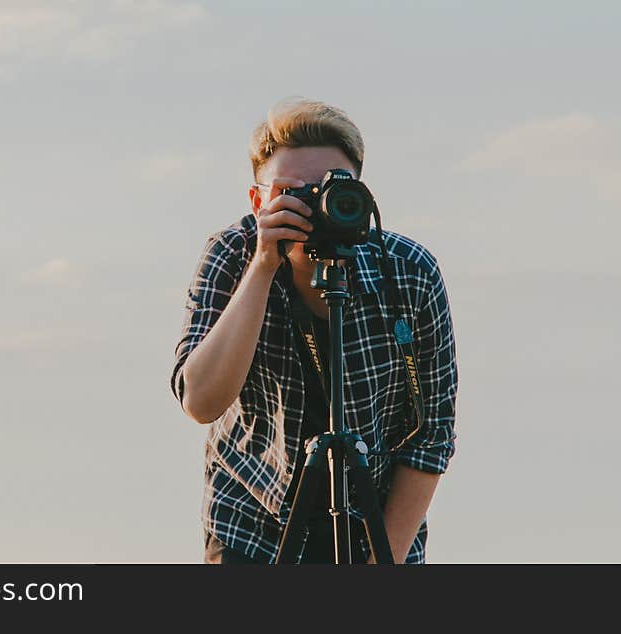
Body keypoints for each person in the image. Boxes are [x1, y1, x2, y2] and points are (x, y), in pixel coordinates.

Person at [169, 97, 458, 564]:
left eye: (329, 190)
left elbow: (432, 435)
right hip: (252, 525)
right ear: (257, 200)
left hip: (375, 530)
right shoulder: (233, 254)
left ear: (360, 196)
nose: (313, 206)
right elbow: (200, 402)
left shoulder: (410, 274)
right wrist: (263, 265)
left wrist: (383, 563)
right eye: (292, 192)